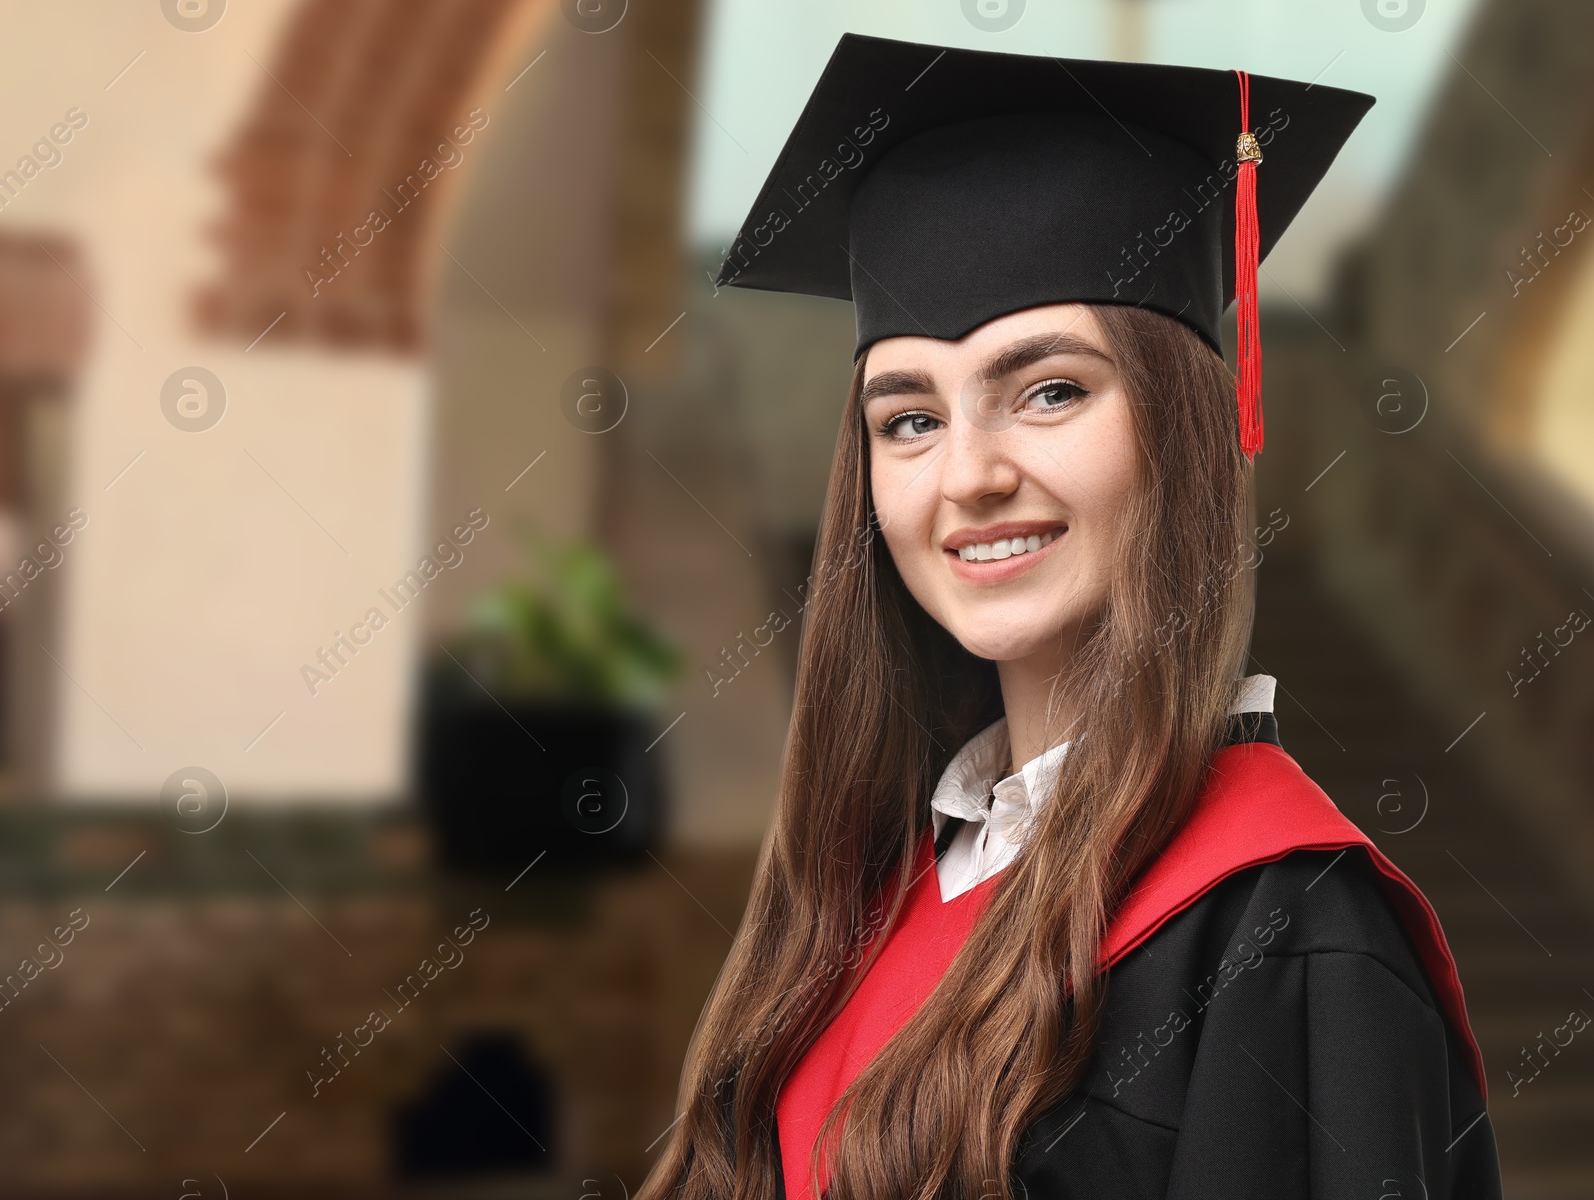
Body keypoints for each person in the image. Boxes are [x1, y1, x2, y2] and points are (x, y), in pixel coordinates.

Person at [639, 32, 1503, 1200]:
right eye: (907, 418)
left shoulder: (1283, 939)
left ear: (1183, 426)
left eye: (1048, 390)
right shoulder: (868, 891)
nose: (967, 476)